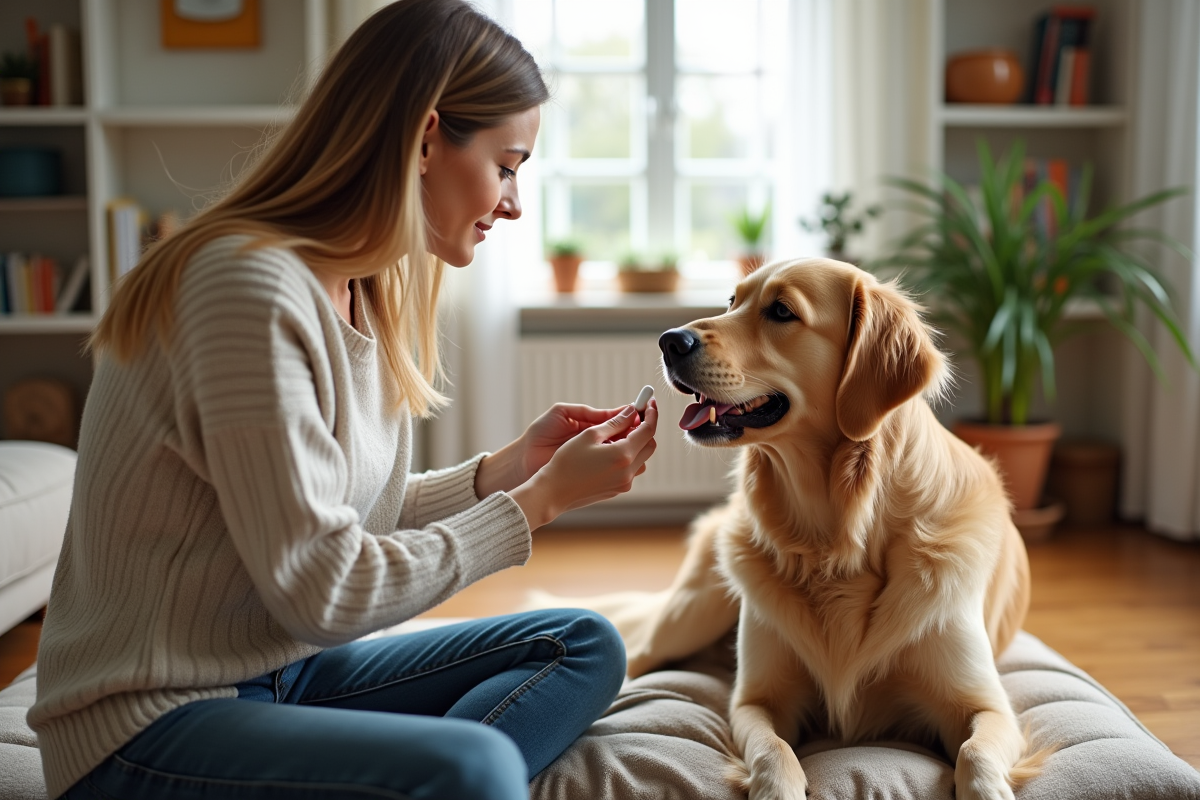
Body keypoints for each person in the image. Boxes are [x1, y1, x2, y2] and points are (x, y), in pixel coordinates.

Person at [28, 2, 660, 798]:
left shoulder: (363, 287)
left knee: (581, 644)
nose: (513, 202)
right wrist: (533, 506)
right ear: (427, 138)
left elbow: (340, 515)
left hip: (280, 670)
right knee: (480, 767)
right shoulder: (244, 291)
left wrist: (506, 471)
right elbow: (325, 588)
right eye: (507, 164)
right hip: (149, 720)